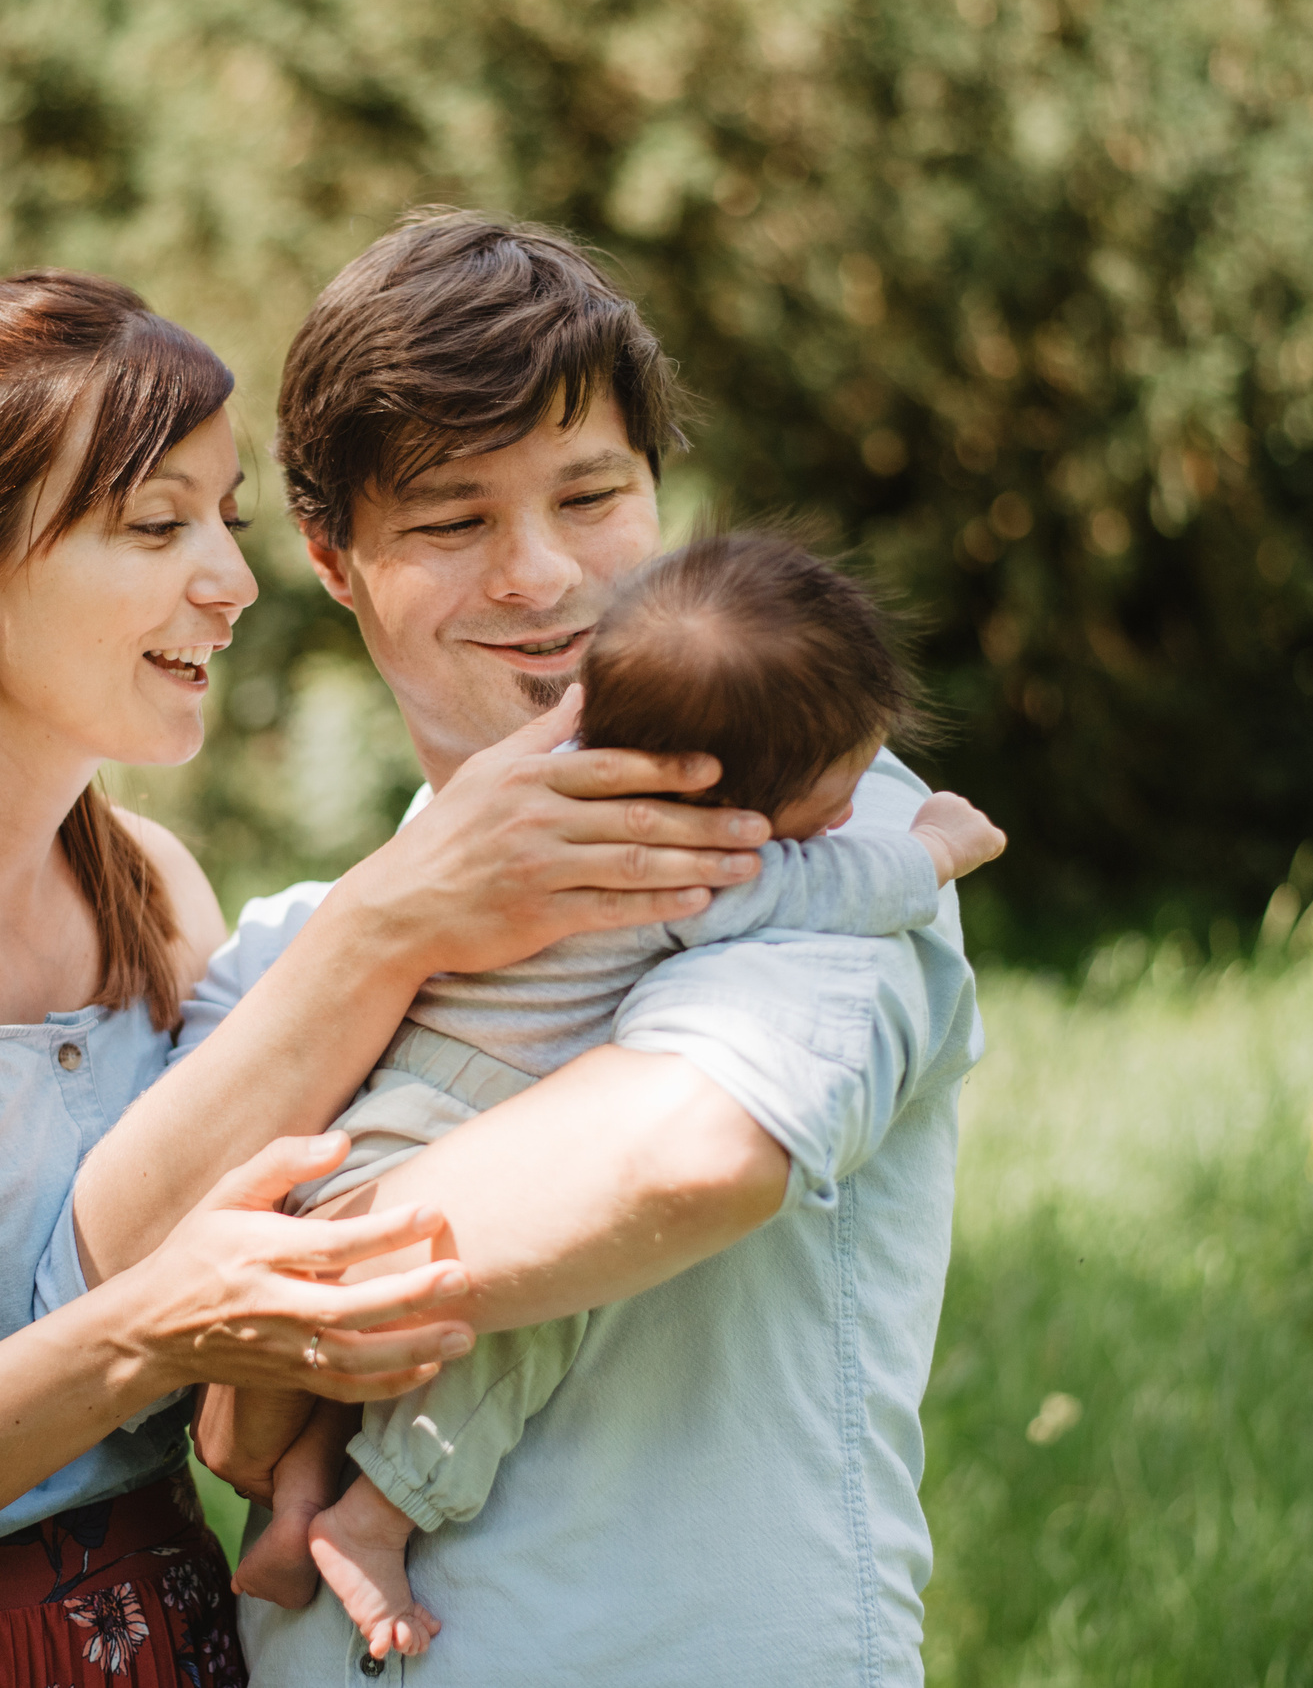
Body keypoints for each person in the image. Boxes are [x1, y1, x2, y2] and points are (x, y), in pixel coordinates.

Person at [0, 269, 776, 1688]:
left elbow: (242, 1398)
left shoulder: (155, 897)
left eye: (223, 522)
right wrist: (141, 1335)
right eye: (155, 526)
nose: (229, 583)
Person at [178, 211, 987, 1685]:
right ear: (333, 559)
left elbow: (679, 1153)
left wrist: (259, 1286)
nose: (540, 575)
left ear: (661, 499)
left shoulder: (813, 833)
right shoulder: (289, 946)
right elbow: (185, 1386)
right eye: (449, 520)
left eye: (591, 493)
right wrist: (389, 923)